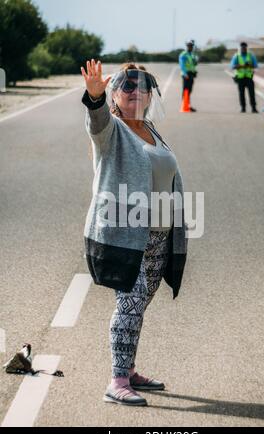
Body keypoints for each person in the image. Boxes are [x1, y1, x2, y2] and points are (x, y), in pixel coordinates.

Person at [80, 60, 188, 406]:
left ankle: (129, 368)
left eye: (143, 85)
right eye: (128, 86)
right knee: (130, 301)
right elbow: (96, 123)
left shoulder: (151, 128)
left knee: (139, 303)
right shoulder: (112, 130)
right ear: (115, 94)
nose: (137, 91)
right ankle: (117, 379)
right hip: (125, 233)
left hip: (158, 233)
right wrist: (94, 97)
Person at [230, 42, 259, 113]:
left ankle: (253, 108)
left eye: (245, 48)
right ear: (240, 48)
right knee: (241, 93)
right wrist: (242, 65)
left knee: (252, 93)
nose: (243, 49)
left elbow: (256, 65)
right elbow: (232, 66)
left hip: (249, 77)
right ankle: (243, 108)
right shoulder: (236, 56)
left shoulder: (251, 56)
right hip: (240, 78)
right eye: (242, 48)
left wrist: (250, 65)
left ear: (247, 48)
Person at [179, 39, 198, 111]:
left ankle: (188, 105)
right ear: (187, 46)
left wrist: (195, 61)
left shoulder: (192, 55)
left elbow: (193, 64)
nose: (191, 47)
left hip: (191, 74)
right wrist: (185, 74)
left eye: (192, 46)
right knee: (186, 90)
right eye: (189, 46)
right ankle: (184, 105)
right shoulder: (183, 54)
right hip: (186, 74)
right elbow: (182, 65)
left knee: (190, 90)